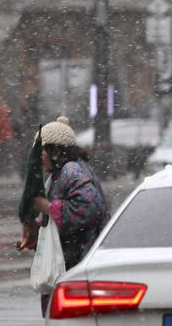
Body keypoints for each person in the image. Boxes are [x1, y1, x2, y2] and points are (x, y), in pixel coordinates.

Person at [28, 117, 110, 315]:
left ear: (56, 151)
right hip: (71, 264)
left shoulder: (71, 171)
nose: (39, 157)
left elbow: (90, 208)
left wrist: (47, 207)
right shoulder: (60, 173)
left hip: (77, 265)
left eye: (42, 152)